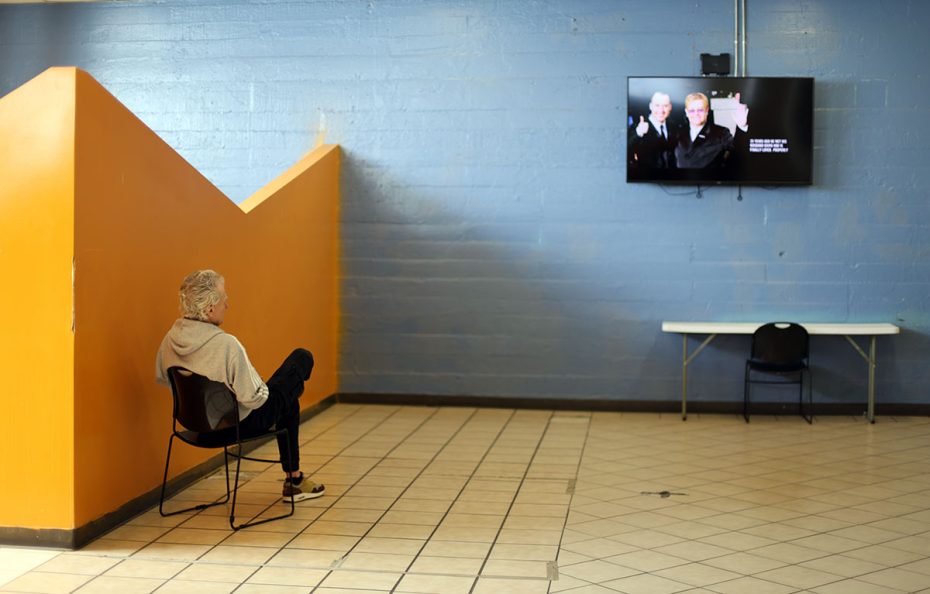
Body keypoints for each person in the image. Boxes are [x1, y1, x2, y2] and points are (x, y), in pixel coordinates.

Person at [155, 270, 324, 502]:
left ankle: (295, 479)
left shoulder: (169, 340)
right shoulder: (226, 345)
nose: (228, 303)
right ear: (210, 308)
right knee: (301, 359)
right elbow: (256, 399)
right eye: (224, 297)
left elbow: (165, 379)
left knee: (288, 399)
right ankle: (294, 481)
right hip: (236, 427)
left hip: (197, 431)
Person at [674, 91, 748, 169]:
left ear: (707, 110)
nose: (696, 114)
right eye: (692, 111)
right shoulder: (676, 132)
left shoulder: (721, 133)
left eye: (700, 110)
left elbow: (739, 153)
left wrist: (742, 126)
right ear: (686, 112)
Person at [628, 91, 677, 169]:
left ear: (670, 107)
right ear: (651, 106)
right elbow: (626, 150)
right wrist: (638, 133)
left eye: (665, 106)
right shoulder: (638, 126)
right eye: (657, 105)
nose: (661, 110)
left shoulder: (673, 126)